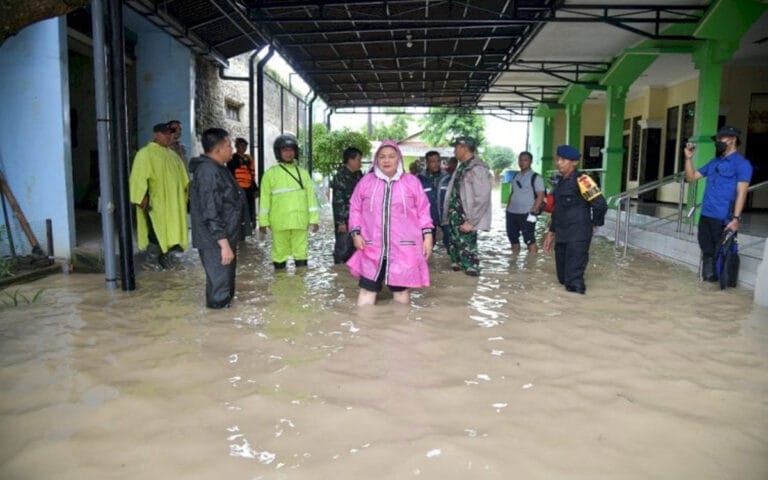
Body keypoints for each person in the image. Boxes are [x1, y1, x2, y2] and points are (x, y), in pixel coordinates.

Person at [347, 141, 433, 306]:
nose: (387, 160)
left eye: (391, 156)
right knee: (366, 291)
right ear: (376, 160)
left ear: (398, 159)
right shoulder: (366, 182)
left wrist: (427, 237)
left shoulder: (411, 182)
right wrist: (355, 233)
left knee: (401, 293)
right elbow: (355, 208)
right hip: (371, 247)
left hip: (402, 248)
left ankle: (400, 330)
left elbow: (423, 211)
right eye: (382, 157)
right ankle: (364, 331)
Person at [683, 126, 753, 282]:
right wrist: (688, 158)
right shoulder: (714, 162)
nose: (718, 142)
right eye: (718, 139)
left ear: (733, 139)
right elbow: (691, 177)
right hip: (706, 215)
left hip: (724, 218)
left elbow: (742, 192)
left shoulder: (742, 164)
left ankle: (723, 292)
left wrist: (736, 219)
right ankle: (708, 291)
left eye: (721, 139)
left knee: (723, 256)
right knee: (707, 253)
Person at [189, 128, 248, 309]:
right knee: (220, 291)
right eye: (229, 146)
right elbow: (209, 210)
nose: (232, 149)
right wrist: (223, 245)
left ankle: (226, 328)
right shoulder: (208, 171)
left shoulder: (218, 168)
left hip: (224, 238)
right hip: (215, 241)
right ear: (218, 149)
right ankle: (219, 328)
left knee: (226, 287)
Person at [543, 145, 608, 294]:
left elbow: (601, 205)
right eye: (558, 159)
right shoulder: (559, 183)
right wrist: (551, 233)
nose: (559, 162)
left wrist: (594, 223)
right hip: (562, 235)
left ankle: (577, 309)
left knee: (574, 281)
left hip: (578, 236)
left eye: (563, 160)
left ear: (574, 162)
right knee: (562, 278)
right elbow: (557, 211)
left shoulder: (583, 180)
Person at [129, 122, 190, 270]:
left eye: (170, 134)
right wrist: (141, 197)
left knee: (172, 230)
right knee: (156, 231)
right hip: (155, 201)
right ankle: (151, 261)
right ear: (156, 134)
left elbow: (184, 179)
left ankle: (164, 258)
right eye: (166, 134)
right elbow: (138, 177)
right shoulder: (145, 153)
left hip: (173, 202)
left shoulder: (173, 155)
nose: (169, 136)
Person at [259, 134, 319, 269]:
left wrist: (314, 220)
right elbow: (264, 200)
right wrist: (263, 222)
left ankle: (300, 287)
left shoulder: (303, 173)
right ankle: (280, 286)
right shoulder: (270, 174)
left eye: (291, 150)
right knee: (279, 254)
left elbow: (311, 198)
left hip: (300, 220)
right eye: (284, 150)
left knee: (301, 254)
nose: (288, 153)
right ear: (278, 152)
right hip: (279, 222)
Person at [442, 136, 492, 276]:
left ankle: (470, 292)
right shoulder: (462, 167)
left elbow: (482, 197)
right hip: (455, 219)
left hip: (466, 219)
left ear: (464, 148)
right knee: (456, 264)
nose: (454, 151)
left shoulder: (477, 168)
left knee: (470, 266)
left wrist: (472, 221)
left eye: (456, 147)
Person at [505, 151, 546, 254]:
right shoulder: (515, 176)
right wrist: (507, 208)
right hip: (512, 213)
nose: (522, 162)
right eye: (520, 159)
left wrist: (533, 211)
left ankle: (531, 266)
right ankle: (513, 263)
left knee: (529, 239)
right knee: (513, 238)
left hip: (527, 213)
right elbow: (513, 192)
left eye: (525, 160)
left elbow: (541, 196)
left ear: (530, 162)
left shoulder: (536, 177)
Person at [331, 147, 363, 264]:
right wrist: (341, 222)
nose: (360, 163)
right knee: (343, 249)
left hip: (358, 219)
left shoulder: (359, 176)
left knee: (356, 249)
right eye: (358, 160)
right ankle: (340, 273)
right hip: (345, 220)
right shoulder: (340, 177)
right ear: (350, 160)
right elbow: (337, 201)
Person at [228, 137, 257, 232]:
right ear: (236, 146)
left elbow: (251, 175)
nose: (243, 147)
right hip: (238, 188)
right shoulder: (232, 158)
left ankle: (249, 226)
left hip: (248, 188)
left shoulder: (248, 158)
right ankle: (239, 228)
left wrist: (255, 188)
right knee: (239, 209)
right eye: (241, 145)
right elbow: (230, 173)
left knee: (249, 208)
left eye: (245, 146)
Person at [418, 150, 447, 242]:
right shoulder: (418, 180)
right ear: (427, 163)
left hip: (445, 217)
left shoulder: (448, 178)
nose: (436, 164)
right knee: (426, 245)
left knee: (451, 244)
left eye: (438, 161)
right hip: (427, 219)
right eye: (433, 162)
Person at [438, 156, 458, 249]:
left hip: (451, 210)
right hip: (444, 209)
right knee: (447, 232)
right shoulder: (443, 176)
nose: (451, 165)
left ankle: (451, 253)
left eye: (453, 163)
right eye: (451, 163)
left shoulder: (458, 175)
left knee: (449, 233)